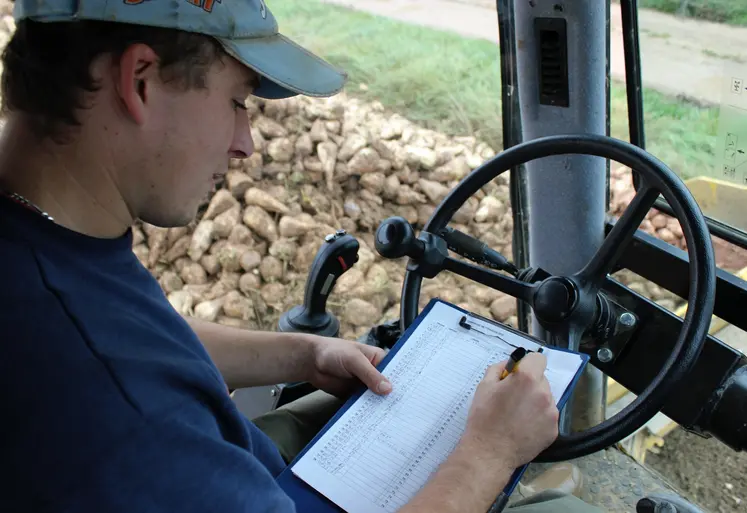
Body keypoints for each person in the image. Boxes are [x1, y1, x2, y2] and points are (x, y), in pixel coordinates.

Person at [0, 1, 600, 512]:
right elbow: (116, 367)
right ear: (141, 82)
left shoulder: (47, 238)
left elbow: (139, 337)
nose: (245, 143)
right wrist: (488, 454)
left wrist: (302, 354)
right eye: (238, 101)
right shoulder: (127, 419)